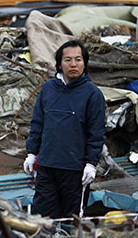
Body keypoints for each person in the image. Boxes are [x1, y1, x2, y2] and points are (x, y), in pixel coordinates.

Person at [23, 40, 106, 219]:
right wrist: (31, 153)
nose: (73, 64)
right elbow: (38, 123)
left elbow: (96, 133)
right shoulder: (48, 89)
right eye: (68, 60)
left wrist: (91, 163)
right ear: (60, 64)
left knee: (71, 219)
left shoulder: (93, 94)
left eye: (78, 59)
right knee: (43, 219)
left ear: (85, 63)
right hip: (47, 167)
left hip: (75, 171)